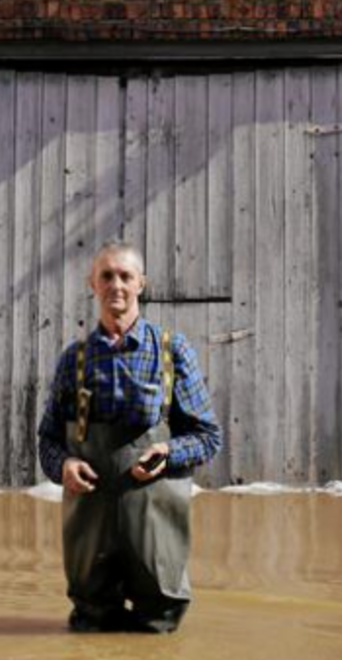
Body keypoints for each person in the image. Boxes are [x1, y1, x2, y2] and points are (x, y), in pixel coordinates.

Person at [37, 241, 222, 633]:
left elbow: (207, 437)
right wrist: (65, 465)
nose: (115, 285)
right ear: (93, 284)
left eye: (125, 276)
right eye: (106, 276)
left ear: (142, 284)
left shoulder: (172, 352)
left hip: (154, 528)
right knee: (89, 627)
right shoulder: (75, 359)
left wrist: (168, 453)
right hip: (92, 530)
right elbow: (48, 441)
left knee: (158, 629)